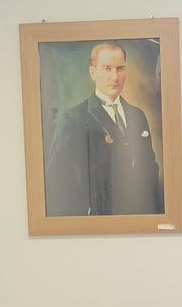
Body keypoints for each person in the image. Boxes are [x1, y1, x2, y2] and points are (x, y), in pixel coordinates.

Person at [43, 41, 162, 217]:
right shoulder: (73, 118)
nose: (115, 77)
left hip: (139, 219)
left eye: (120, 69)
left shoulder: (138, 115)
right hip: (98, 222)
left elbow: (150, 168)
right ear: (93, 73)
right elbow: (58, 180)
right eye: (107, 68)